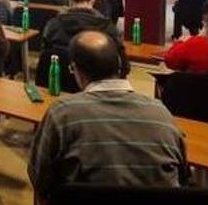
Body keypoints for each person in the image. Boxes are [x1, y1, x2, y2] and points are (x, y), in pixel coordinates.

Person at [28, 30, 186, 201]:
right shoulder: (162, 113)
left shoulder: (61, 113)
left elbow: (39, 176)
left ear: (76, 70)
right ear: (119, 65)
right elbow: (182, 177)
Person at [37, 0, 125, 92]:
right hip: (98, 92)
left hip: (58, 87)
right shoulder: (108, 28)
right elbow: (123, 66)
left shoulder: (53, 25)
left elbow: (44, 58)